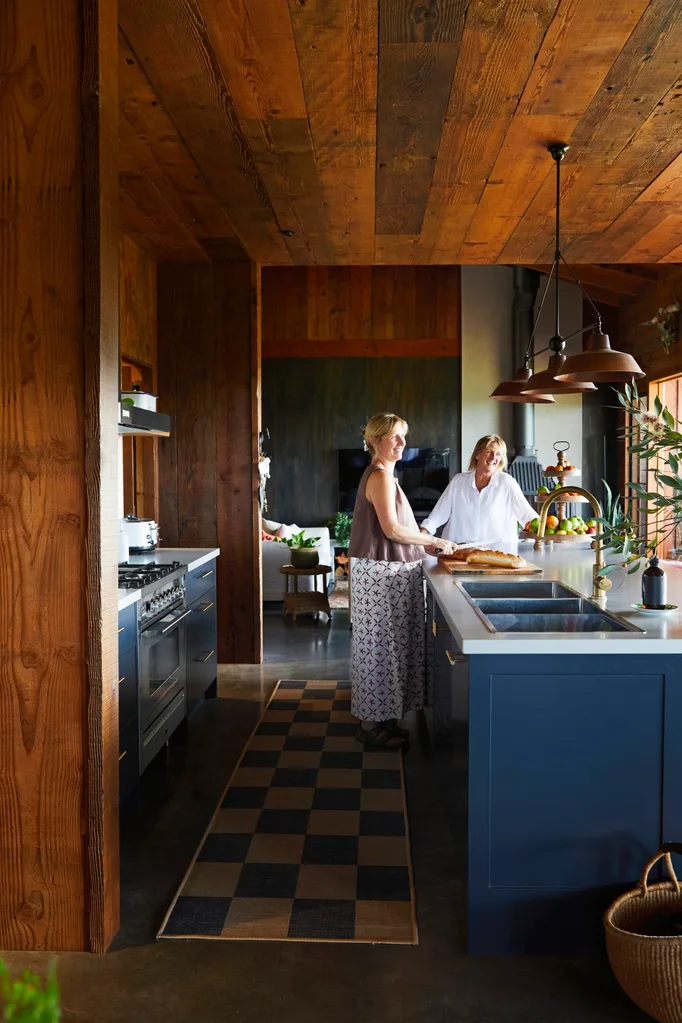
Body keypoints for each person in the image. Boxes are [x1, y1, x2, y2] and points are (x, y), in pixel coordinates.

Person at [348, 413, 457, 749]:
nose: (401, 443)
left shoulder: (388, 477)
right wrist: (436, 542)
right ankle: (370, 725)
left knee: (388, 648)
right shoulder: (380, 477)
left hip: (389, 575)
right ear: (375, 441)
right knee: (379, 648)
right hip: (381, 576)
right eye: (394, 437)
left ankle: (384, 719)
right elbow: (392, 530)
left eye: (402, 437)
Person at [419, 434, 537, 547]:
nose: (493, 458)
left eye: (498, 454)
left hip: (497, 555)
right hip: (458, 553)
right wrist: (421, 536)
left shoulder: (507, 482)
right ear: (477, 455)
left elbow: (527, 515)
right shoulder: (458, 481)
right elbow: (438, 515)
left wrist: (544, 531)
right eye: (489, 452)